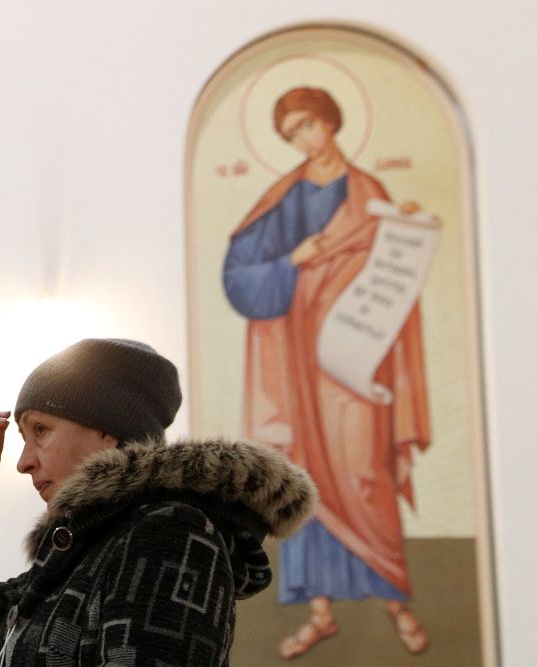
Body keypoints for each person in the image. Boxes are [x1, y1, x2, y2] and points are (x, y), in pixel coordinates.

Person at [0, 338, 316, 666]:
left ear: (110, 432)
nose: (22, 462)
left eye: (41, 430)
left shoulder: (168, 534)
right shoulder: (86, 547)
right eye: (24, 437)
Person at [222, 87, 432, 658]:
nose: (304, 140)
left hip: (356, 366)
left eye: (309, 125)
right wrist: (294, 260)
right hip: (295, 369)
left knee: (366, 475)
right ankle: (321, 615)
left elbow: (396, 275)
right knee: (304, 477)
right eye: (291, 134)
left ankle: (396, 604)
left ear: (332, 123)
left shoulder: (370, 193)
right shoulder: (282, 198)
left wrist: (406, 233)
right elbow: (239, 275)